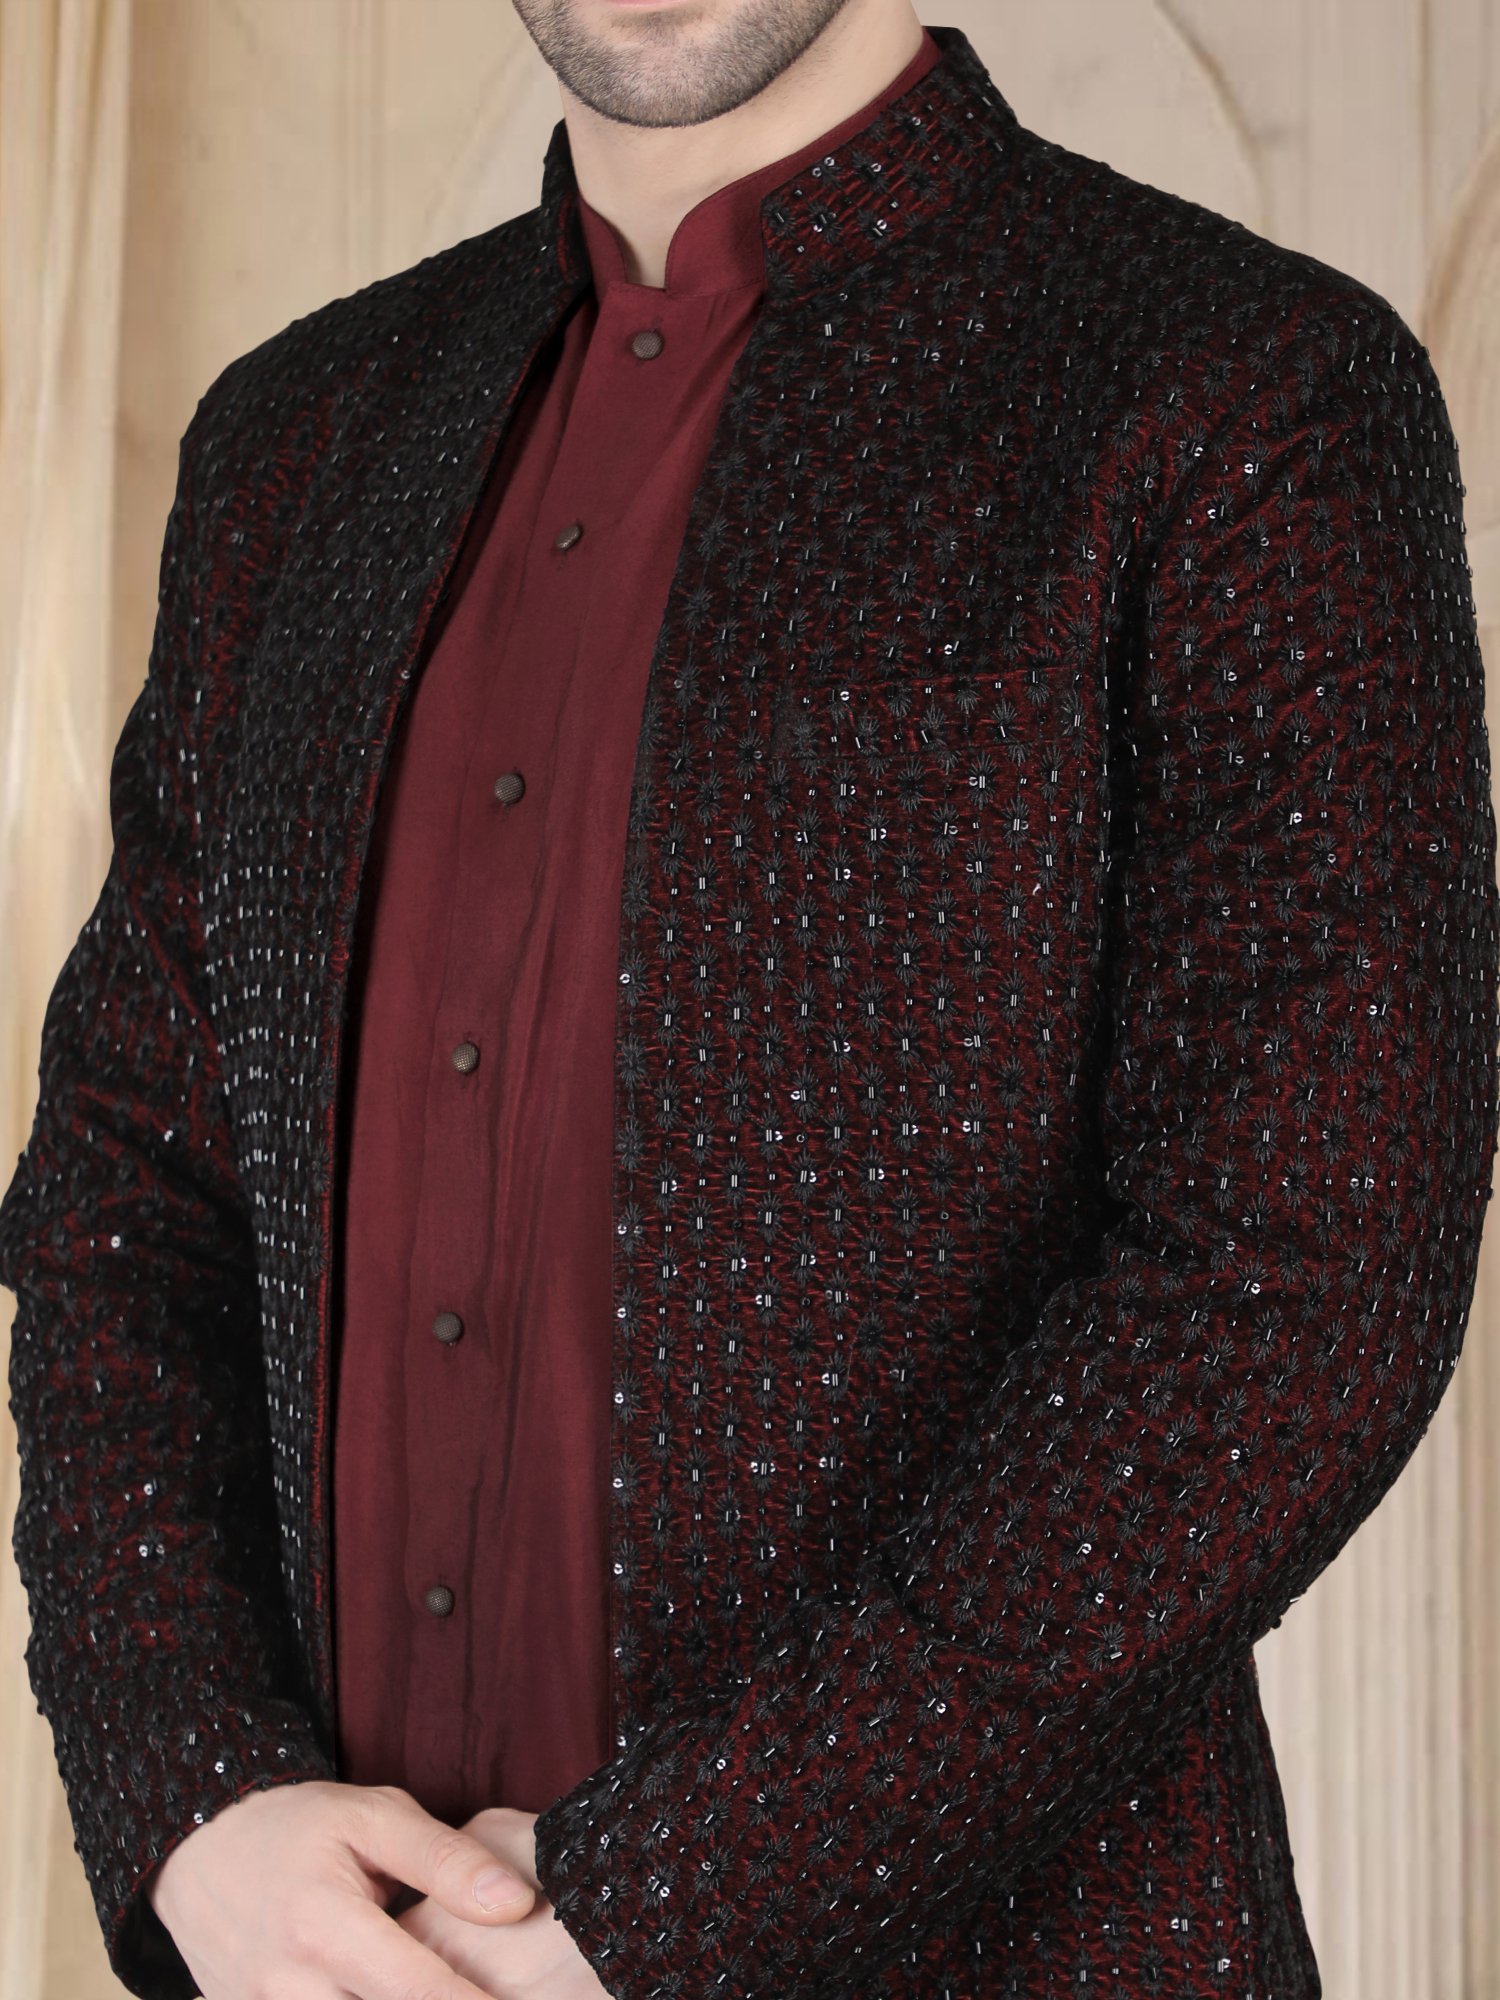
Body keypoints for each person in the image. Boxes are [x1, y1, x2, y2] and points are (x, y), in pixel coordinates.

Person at [3, 0, 1497, 1995]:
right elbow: (125, 1191)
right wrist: (192, 1794)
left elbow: (1308, 1273)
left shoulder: (1241, 386)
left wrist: (658, 1901)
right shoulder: (293, 439)